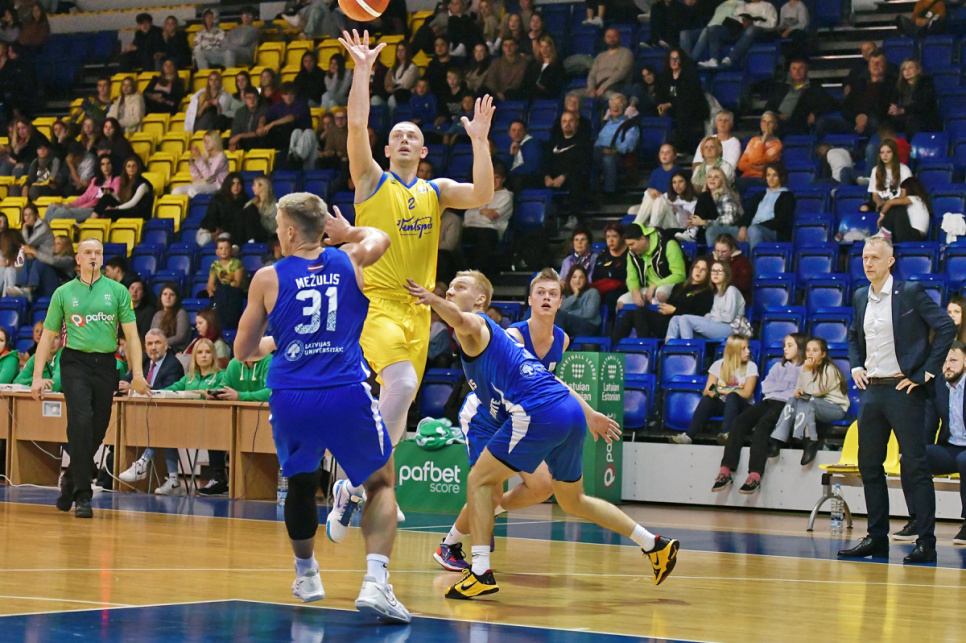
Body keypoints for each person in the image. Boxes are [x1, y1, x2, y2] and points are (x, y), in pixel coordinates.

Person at [406, 270, 679, 597]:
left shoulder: (478, 324)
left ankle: (479, 572)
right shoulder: (510, 333)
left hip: (534, 412)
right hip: (562, 410)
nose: (450, 292)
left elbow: (461, 320)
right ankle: (653, 544)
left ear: (481, 300)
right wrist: (586, 413)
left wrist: (432, 299)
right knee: (572, 500)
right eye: (448, 288)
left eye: (459, 287)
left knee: (479, 481)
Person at [338, 30, 495, 519]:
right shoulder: (370, 180)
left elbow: (483, 195)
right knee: (403, 386)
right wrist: (363, 71)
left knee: (401, 402)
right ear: (387, 149)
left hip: (420, 310)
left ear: (424, 152)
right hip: (378, 304)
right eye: (398, 136)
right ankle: (358, 479)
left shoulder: (436, 190)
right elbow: (356, 124)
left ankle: (363, 488)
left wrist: (480, 142)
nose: (405, 140)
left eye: (414, 136)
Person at [233, 193, 411, 622]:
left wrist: (274, 342)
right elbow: (381, 237)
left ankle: (307, 574)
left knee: (299, 484)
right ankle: (375, 583)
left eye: (279, 225)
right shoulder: (350, 259)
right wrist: (348, 231)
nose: (278, 232)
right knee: (380, 482)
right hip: (344, 391)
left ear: (292, 231)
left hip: (292, 397)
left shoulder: (267, 278)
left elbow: (242, 352)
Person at [434, 268, 570, 572]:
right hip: (486, 414)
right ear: (529, 300)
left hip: (517, 416)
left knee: (542, 486)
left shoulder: (561, 340)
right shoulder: (513, 335)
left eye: (553, 294)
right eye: (540, 293)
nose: (546, 298)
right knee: (489, 488)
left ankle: (488, 513)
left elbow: (547, 386)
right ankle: (450, 544)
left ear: (560, 302)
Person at [839, 235, 956, 564]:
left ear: (890, 261)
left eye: (875, 257)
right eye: (865, 257)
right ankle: (876, 538)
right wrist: (856, 366)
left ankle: (926, 542)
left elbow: (946, 327)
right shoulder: (860, 296)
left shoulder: (910, 292)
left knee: (916, 466)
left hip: (905, 390)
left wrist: (926, 372)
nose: (868, 263)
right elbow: (853, 335)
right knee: (869, 466)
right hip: (872, 391)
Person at [32, 239, 147, 519]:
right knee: (81, 422)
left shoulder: (118, 292)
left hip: (106, 363)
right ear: (78, 259)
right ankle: (83, 494)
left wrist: (138, 375)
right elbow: (48, 336)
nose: (93, 257)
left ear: (103, 259)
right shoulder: (63, 293)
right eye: (88, 252)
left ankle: (70, 478)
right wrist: (36, 376)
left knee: (98, 428)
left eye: (98, 253)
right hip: (74, 363)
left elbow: (132, 336)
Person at [715, 333, 807, 493]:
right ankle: (725, 470)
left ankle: (755, 475)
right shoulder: (778, 366)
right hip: (768, 400)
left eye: (790, 345)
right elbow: (766, 387)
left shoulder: (806, 369)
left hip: (786, 404)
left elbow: (798, 391)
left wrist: (781, 386)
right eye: (784, 345)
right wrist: (787, 386)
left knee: (763, 425)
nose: (785, 349)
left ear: (800, 347)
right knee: (740, 421)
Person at [898, 343, 966, 545]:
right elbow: (929, 422)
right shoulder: (939, 385)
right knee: (910, 458)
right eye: (944, 361)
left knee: (965, 461)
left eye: (953, 360)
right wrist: (917, 451)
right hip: (950, 448)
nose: (948, 366)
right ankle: (918, 519)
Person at [116, 329, 186, 488]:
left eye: (157, 343)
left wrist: (134, 389)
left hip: (166, 415)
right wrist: (121, 386)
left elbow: (165, 392)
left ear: (166, 345)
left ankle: (143, 462)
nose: (153, 348)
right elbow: (128, 380)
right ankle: (170, 479)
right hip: (141, 414)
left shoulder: (173, 365)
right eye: (149, 344)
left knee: (161, 427)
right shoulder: (143, 361)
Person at [200, 352, 273, 496]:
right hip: (240, 417)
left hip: (266, 417)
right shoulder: (234, 363)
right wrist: (217, 393)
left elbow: (271, 391)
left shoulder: (269, 361)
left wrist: (240, 396)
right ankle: (219, 478)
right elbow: (225, 385)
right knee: (215, 427)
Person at [770, 337, 850, 465]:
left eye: (815, 350)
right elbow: (800, 386)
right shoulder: (806, 368)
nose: (810, 353)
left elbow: (815, 391)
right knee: (793, 400)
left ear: (823, 354)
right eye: (808, 350)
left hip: (835, 407)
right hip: (814, 404)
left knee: (809, 401)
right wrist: (798, 391)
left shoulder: (829, 369)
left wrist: (806, 372)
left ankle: (810, 441)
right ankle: (777, 439)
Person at [673, 334, 759, 444]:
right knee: (707, 399)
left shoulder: (751, 367)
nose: (748, 351)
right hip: (725, 404)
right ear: (734, 350)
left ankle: (726, 434)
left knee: (733, 396)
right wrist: (713, 393)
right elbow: (708, 390)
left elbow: (747, 393)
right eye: (743, 349)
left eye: (748, 348)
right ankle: (688, 436)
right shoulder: (718, 365)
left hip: (743, 407)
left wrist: (723, 391)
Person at [612, 256, 714, 343]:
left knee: (641, 312)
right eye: (697, 267)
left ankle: (645, 347)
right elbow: (670, 304)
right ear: (692, 269)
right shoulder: (679, 286)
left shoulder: (707, 292)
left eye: (703, 269)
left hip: (681, 326)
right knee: (630, 314)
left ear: (708, 273)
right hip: (667, 319)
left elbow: (699, 316)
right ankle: (612, 349)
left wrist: (675, 311)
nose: (698, 271)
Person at [666, 259, 745, 340]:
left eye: (720, 271)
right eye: (713, 271)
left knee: (685, 319)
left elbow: (728, 318)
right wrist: (710, 317)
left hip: (732, 328)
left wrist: (711, 316)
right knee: (675, 319)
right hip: (716, 325)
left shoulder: (731, 290)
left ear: (726, 274)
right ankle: (669, 346)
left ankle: (689, 347)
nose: (716, 274)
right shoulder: (715, 293)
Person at [620, 223, 687, 310]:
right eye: (628, 245)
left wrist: (654, 285)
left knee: (660, 294)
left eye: (632, 244)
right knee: (621, 303)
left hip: (670, 286)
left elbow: (680, 275)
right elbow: (631, 278)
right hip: (647, 289)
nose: (630, 248)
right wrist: (635, 291)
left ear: (642, 239)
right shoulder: (632, 253)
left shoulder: (669, 245)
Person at [462, 161, 513, 276]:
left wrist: (478, 213)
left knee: (484, 237)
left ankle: (479, 275)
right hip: (473, 229)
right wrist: (483, 212)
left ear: (503, 179)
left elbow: (492, 217)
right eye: (491, 178)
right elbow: (467, 215)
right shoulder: (482, 194)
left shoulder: (507, 196)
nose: (493, 181)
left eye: (497, 178)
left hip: (492, 231)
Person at [765, 59, 838, 136]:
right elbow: (769, 106)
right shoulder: (781, 87)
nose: (797, 71)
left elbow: (832, 103)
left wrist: (815, 113)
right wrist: (775, 116)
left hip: (799, 124)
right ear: (790, 71)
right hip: (778, 122)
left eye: (801, 68)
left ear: (807, 70)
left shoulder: (814, 87)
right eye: (794, 68)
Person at [737, 161, 795, 250]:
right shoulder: (759, 195)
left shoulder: (787, 196)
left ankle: (755, 258)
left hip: (772, 231)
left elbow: (780, 222)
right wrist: (743, 227)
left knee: (754, 230)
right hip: (751, 228)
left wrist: (753, 227)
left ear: (781, 177)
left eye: (774, 175)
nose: (771, 179)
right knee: (717, 231)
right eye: (768, 175)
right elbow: (748, 214)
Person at [44, 156, 118, 223]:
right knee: (52, 206)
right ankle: (45, 228)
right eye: (103, 164)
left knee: (61, 212)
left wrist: (75, 207)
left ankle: (45, 229)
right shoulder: (95, 180)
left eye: (108, 163)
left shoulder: (117, 180)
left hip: (95, 210)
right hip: (83, 206)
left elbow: (114, 197)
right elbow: (85, 196)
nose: (106, 167)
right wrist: (71, 204)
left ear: (112, 165)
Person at [679, 167, 742, 244]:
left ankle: (693, 231)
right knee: (670, 232)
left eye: (716, 177)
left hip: (729, 230)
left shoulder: (726, 196)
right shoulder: (708, 198)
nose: (712, 179)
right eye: (709, 177)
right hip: (709, 226)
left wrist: (704, 222)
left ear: (722, 181)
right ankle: (692, 230)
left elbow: (728, 221)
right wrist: (694, 222)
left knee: (704, 196)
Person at [594, 94, 639, 200]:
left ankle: (609, 193)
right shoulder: (605, 124)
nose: (615, 107)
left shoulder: (630, 125)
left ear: (624, 107)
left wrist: (613, 150)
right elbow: (597, 143)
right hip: (599, 151)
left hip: (618, 155)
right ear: (609, 107)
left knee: (608, 159)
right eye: (613, 104)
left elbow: (629, 144)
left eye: (619, 104)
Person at [888, 59, 940, 139]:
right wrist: (893, 108)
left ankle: (910, 146)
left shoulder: (926, 84)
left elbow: (922, 105)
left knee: (912, 122)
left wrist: (903, 110)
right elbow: (893, 101)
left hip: (923, 119)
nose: (907, 71)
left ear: (918, 70)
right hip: (903, 119)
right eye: (904, 69)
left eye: (910, 68)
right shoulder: (899, 86)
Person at [634, 170, 698, 232]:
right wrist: (650, 190)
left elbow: (691, 224)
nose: (677, 185)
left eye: (680, 181)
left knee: (659, 198)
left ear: (687, 182)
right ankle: (636, 226)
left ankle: (651, 228)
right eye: (674, 182)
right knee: (653, 197)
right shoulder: (667, 196)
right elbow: (648, 198)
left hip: (677, 228)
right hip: (663, 225)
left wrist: (677, 211)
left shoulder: (694, 201)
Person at [171, 130, 229, 198]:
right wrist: (192, 163)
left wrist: (198, 159)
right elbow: (198, 177)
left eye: (208, 141)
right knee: (176, 191)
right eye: (204, 141)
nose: (206, 143)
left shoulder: (221, 157)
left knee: (192, 191)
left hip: (217, 186)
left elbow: (209, 177)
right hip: (205, 184)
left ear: (215, 141)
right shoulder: (205, 157)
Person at [860, 139, 911, 214]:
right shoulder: (875, 170)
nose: (885, 155)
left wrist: (890, 203)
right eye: (882, 152)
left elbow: (906, 194)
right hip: (881, 201)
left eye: (888, 152)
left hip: (896, 202)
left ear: (894, 153)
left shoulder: (904, 170)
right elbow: (875, 194)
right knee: (864, 208)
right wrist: (878, 202)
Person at [197, 173, 248, 246]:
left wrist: (222, 230)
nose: (236, 186)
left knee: (224, 240)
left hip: (227, 232)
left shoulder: (245, 201)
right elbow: (210, 217)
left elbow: (239, 224)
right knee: (204, 239)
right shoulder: (218, 198)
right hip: (210, 229)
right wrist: (213, 231)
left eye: (238, 183)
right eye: (233, 183)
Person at [590, 222, 629, 318]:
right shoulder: (603, 255)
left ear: (622, 237)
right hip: (603, 289)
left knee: (610, 297)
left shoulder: (629, 254)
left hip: (624, 290)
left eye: (614, 236)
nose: (611, 240)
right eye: (608, 237)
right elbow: (595, 277)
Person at [736, 112, 782, 191]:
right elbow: (741, 165)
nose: (766, 125)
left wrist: (762, 141)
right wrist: (755, 166)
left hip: (762, 178)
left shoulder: (777, 144)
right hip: (746, 176)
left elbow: (757, 160)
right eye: (763, 121)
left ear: (775, 125)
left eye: (770, 122)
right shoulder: (753, 140)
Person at [877, 176, 931, 243]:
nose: (900, 195)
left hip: (914, 235)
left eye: (902, 192)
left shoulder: (914, 198)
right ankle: (885, 232)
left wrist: (882, 215)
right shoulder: (918, 200)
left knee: (897, 207)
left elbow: (889, 202)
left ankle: (885, 232)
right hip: (913, 235)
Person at [586, 28, 634, 101]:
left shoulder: (626, 53)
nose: (611, 39)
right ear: (604, 39)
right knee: (572, 94)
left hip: (615, 86)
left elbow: (621, 73)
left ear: (619, 38)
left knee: (614, 98)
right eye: (609, 37)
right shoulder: (600, 56)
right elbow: (592, 74)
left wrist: (603, 87)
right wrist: (591, 89)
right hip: (597, 87)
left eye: (614, 36)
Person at [558, 265, 602, 337]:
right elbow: (560, 308)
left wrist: (569, 313)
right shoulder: (565, 294)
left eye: (581, 277)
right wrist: (575, 295)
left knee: (560, 317)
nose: (577, 280)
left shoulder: (593, 292)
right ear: (569, 279)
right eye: (574, 277)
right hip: (570, 326)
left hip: (589, 326)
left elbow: (589, 313)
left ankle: (558, 341)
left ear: (585, 280)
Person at [150, 282, 191, 352]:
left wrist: (161, 343)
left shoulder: (181, 313)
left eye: (172, 295)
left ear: (176, 298)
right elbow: (152, 334)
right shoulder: (158, 315)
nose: (168, 297)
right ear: (161, 297)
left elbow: (180, 337)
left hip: (175, 350)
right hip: (158, 348)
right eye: (165, 294)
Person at [712, 234, 753, 302]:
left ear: (732, 249)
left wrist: (724, 282)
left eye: (724, 251)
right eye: (717, 251)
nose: (720, 254)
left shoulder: (742, 262)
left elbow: (744, 285)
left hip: (735, 299)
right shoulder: (710, 259)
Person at [229, 88, 269, 152]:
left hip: (256, 141)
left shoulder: (263, 110)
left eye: (254, 97)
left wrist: (240, 136)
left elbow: (259, 132)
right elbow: (234, 130)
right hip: (242, 141)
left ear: (258, 98)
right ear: (244, 99)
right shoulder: (240, 112)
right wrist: (233, 142)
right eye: (249, 98)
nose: (252, 100)